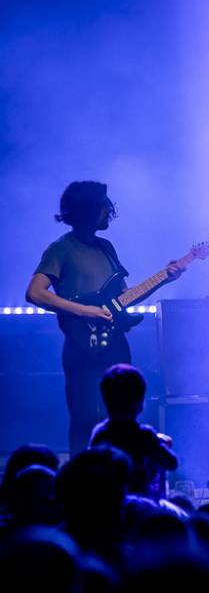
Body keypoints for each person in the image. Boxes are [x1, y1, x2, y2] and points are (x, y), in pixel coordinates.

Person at [26, 181, 183, 456]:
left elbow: (124, 298)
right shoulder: (61, 249)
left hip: (115, 343)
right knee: (85, 418)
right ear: (89, 210)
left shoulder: (106, 247)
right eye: (104, 206)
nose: (109, 211)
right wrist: (84, 311)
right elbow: (35, 293)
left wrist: (164, 279)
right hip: (80, 346)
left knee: (124, 417)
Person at [88, 364, 178, 500]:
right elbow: (172, 463)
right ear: (140, 403)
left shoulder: (100, 433)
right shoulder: (144, 435)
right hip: (140, 507)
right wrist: (160, 443)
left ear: (105, 401)